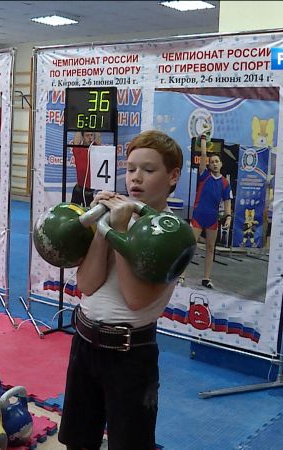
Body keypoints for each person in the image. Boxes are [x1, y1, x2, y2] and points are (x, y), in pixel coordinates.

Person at [58, 130, 182, 450]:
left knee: (130, 445)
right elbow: (87, 285)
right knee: (78, 441)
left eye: (148, 170)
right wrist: (103, 227)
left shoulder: (173, 234)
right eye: (130, 169)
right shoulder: (117, 216)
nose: (135, 178)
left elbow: (136, 299)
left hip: (129, 356)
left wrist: (121, 230)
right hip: (84, 345)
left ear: (173, 176)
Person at [184, 132, 232, 289]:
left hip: (212, 219)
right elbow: (204, 154)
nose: (215, 164)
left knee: (211, 249)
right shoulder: (204, 176)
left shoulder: (225, 183)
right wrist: (203, 139)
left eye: (217, 161)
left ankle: (206, 278)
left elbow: (227, 203)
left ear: (221, 164)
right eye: (212, 162)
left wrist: (228, 217)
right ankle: (182, 275)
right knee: (190, 246)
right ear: (209, 165)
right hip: (198, 216)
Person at [70, 131, 100, 207]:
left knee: (89, 215)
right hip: (78, 189)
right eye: (87, 135)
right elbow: (77, 138)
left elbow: (98, 135)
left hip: (89, 191)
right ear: (83, 137)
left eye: (91, 135)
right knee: (73, 213)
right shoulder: (78, 150)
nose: (90, 137)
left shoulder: (96, 150)